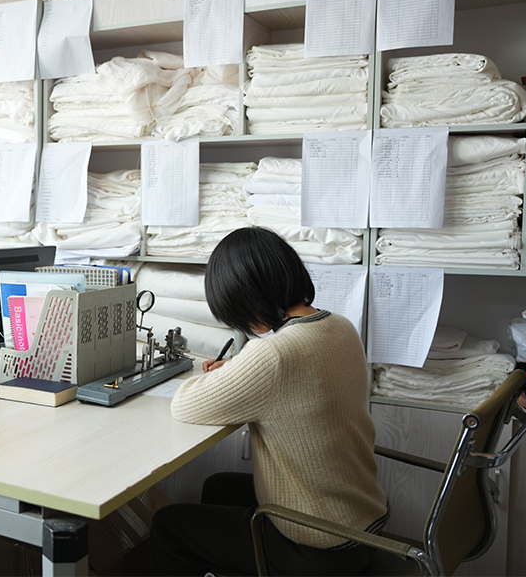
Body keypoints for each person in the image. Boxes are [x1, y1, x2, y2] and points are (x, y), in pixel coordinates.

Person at [148, 227, 389, 576]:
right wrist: (240, 370)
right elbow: (296, 382)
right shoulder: (341, 326)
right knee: (218, 486)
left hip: (320, 551)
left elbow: (185, 405)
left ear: (243, 299)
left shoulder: (274, 353)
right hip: (364, 524)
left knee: (168, 525)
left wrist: (220, 375)